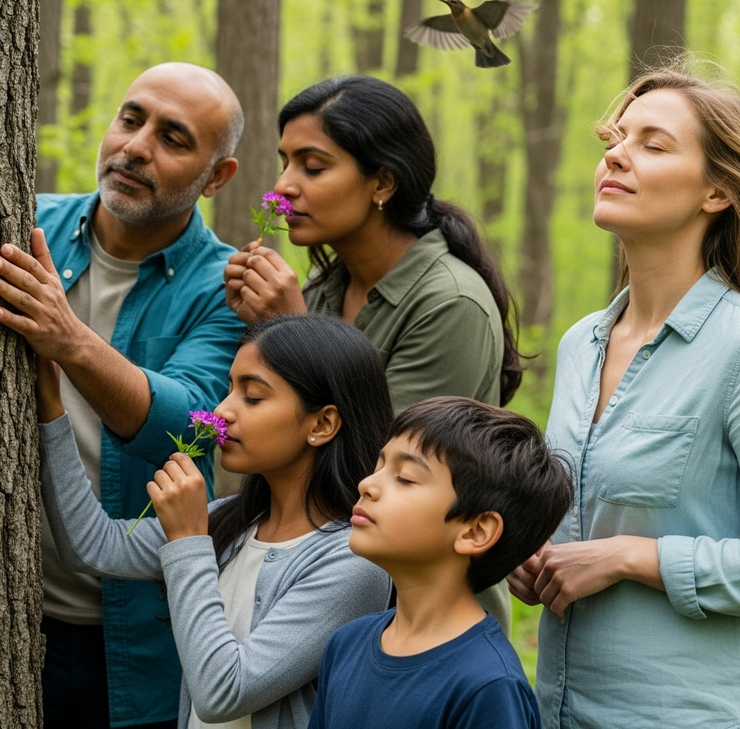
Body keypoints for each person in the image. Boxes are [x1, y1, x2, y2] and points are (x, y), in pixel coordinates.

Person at [0, 62, 246, 728]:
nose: (136, 146)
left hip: (137, 638)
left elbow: (182, 422)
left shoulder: (225, 289)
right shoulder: (24, 225)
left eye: (174, 138)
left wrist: (66, 337)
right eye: (131, 119)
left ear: (217, 177)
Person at [224, 74, 522, 631]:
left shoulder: (450, 303)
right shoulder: (323, 291)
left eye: (313, 166)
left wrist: (293, 334)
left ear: (381, 181)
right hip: (317, 601)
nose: (285, 185)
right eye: (284, 161)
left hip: (422, 623)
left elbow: (385, 473)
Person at [507, 64, 740, 728]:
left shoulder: (734, 345)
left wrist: (633, 558)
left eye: (652, 144)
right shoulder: (583, 343)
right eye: (617, 137)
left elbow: (621, 548)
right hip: (556, 711)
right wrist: (536, 558)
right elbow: (586, 523)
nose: (615, 153)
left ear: (716, 191)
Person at [37, 314, 393, 729]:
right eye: (229, 389)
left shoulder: (353, 560)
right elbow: (90, 545)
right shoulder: (232, 520)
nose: (222, 411)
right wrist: (51, 412)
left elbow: (223, 692)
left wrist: (187, 540)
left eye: (253, 397)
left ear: (322, 424)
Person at [307, 396, 572, 729]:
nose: (367, 485)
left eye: (404, 477)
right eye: (379, 466)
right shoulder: (345, 644)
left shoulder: (488, 686)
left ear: (476, 532)